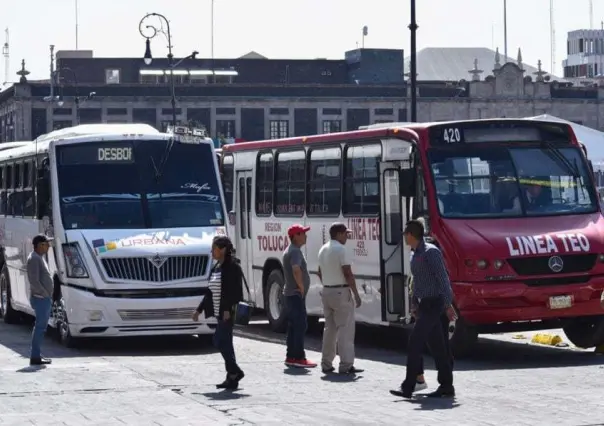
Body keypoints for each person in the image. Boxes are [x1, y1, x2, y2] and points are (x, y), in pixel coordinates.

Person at [394, 219, 457, 398]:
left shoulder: (431, 252)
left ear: (411, 235)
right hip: (424, 305)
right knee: (439, 347)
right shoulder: (414, 254)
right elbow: (417, 280)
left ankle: (408, 386)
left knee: (414, 343)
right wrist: (414, 301)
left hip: (434, 304)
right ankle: (446, 386)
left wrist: (447, 304)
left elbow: (443, 280)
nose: (404, 238)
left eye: (405, 234)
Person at [192, 236, 245, 390]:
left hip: (227, 312)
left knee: (218, 340)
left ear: (222, 249)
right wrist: (198, 310)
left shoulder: (233, 267)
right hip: (217, 311)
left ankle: (235, 371)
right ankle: (232, 377)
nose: (212, 251)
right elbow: (209, 292)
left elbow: (236, 292)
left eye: (214, 248)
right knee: (226, 343)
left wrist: (227, 309)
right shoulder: (216, 267)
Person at [317, 222, 363, 375]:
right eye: (345, 234)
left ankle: (326, 363)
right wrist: (356, 294)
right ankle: (346, 365)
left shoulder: (323, 249)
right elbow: (348, 273)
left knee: (329, 329)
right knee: (346, 329)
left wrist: (327, 284)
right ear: (338, 234)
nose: (347, 237)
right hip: (341, 292)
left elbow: (319, 271)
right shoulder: (341, 250)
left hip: (327, 291)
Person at [283, 224, 316, 368]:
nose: (305, 236)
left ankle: (291, 356)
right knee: (299, 325)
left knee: (293, 326)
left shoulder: (290, 250)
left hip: (290, 294)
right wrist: (301, 286)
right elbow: (296, 269)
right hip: (295, 294)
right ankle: (298, 357)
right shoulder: (295, 251)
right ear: (295, 236)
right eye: (302, 233)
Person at [26, 234, 54, 366]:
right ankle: (35, 356)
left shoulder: (39, 258)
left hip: (44, 298)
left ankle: (37, 354)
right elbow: (34, 281)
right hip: (40, 298)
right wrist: (44, 294)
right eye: (46, 244)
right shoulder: (34, 259)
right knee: (40, 327)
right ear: (39, 245)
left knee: (41, 327)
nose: (48, 246)